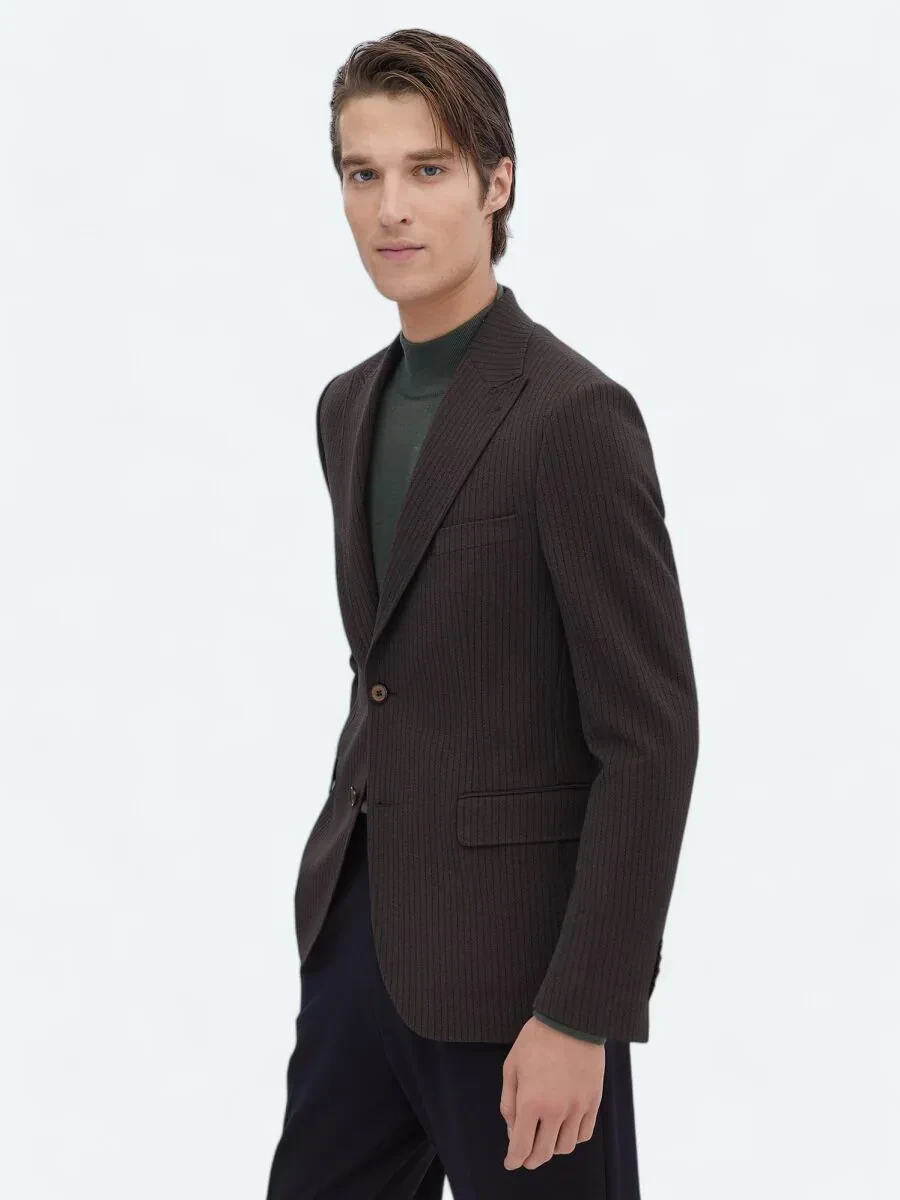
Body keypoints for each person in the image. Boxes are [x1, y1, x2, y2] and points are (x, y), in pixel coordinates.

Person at [265, 26, 699, 1200]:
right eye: (363, 173)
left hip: (521, 986)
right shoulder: (346, 408)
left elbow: (649, 736)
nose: (391, 208)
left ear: (497, 183)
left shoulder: (573, 417)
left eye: (429, 168)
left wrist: (583, 1010)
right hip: (357, 950)